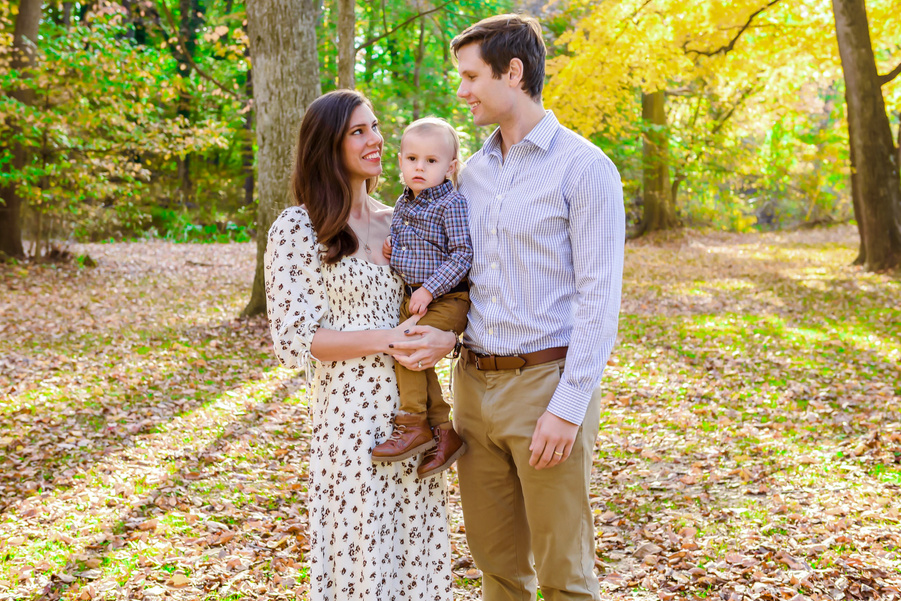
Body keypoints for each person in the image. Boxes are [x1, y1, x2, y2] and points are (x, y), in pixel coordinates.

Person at [392, 13, 626, 601]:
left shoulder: (586, 169)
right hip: (472, 385)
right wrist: (446, 336)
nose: (462, 90)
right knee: (496, 567)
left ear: (513, 72)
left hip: (545, 385)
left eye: (471, 77)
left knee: (563, 573)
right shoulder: (467, 175)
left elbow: (600, 302)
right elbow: (470, 273)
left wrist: (568, 407)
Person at [264, 89, 452, 601]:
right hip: (348, 420)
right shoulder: (297, 228)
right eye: (359, 131)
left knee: (416, 553)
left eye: (374, 126)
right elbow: (295, 339)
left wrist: (441, 340)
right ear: (329, 145)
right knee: (362, 559)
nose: (376, 139)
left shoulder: (404, 221)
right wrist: (386, 339)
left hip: (412, 419)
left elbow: (441, 300)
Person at [371, 118, 472, 479]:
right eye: (412, 158)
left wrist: (429, 288)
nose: (420, 167)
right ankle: (444, 433)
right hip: (415, 297)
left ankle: (412, 422)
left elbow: (462, 254)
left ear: (450, 167)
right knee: (416, 355)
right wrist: (391, 249)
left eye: (431, 161)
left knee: (409, 344)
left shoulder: (452, 203)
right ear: (399, 161)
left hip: (448, 297)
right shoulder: (403, 205)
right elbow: (406, 247)